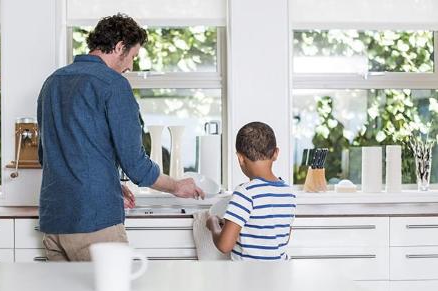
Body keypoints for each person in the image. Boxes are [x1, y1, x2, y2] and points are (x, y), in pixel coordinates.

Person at [36, 13, 205, 262]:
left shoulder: (51, 83)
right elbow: (135, 164)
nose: (130, 67)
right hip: (94, 222)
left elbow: (49, 155)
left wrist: (110, 183)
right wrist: (176, 185)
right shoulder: (113, 84)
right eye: (133, 56)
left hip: (54, 222)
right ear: (118, 47)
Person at [206, 122, 296, 260]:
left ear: (240, 158)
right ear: (276, 153)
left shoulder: (245, 192)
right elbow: (280, 237)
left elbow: (224, 246)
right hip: (280, 275)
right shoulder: (289, 193)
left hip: (248, 277)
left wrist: (213, 223)